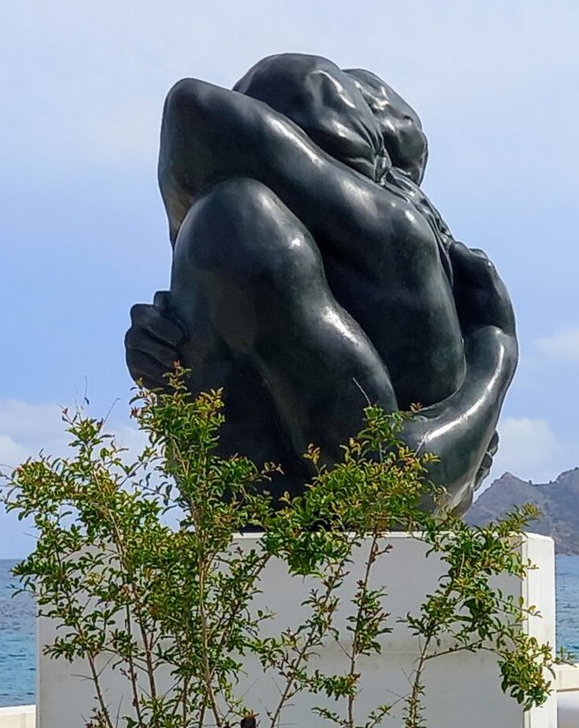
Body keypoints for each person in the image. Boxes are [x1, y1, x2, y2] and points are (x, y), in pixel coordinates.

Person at [126, 54, 516, 513]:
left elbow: (388, 491)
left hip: (259, 518)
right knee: (238, 222)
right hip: (291, 513)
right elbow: (388, 492)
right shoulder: (247, 226)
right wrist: (495, 354)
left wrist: (492, 357)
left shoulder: (246, 225)